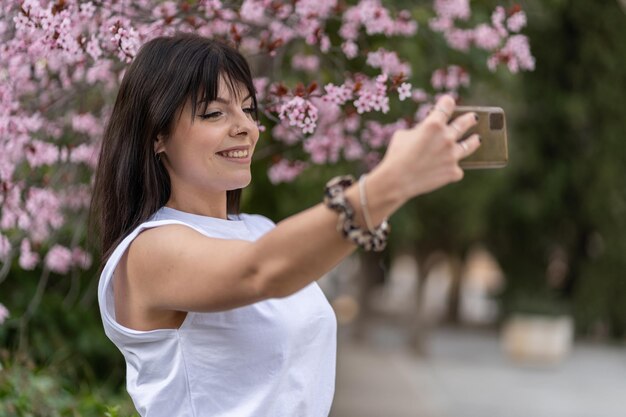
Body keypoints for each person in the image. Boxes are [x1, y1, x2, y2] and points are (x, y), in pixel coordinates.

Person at [90, 33, 481, 417]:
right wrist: (390, 182)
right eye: (214, 112)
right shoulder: (149, 251)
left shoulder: (260, 229)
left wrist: (390, 192)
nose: (245, 126)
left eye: (248, 109)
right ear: (158, 135)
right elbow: (262, 270)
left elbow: (285, 259)